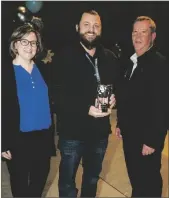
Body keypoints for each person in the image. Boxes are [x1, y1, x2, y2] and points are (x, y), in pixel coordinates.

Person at [52, 10, 119, 197]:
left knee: (91, 179)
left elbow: (115, 86)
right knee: (67, 183)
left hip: (99, 134)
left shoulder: (109, 57)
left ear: (101, 30)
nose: (92, 29)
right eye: (87, 25)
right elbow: (56, 95)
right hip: (72, 133)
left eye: (96, 25)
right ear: (77, 28)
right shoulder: (64, 56)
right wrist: (85, 108)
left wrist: (114, 98)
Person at [115, 16, 169, 197]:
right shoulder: (131, 62)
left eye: (143, 32)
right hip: (131, 136)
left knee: (149, 182)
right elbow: (128, 98)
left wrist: (153, 140)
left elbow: (162, 106)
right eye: (135, 32)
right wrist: (120, 124)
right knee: (137, 181)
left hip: (147, 139)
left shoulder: (159, 64)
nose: (137, 36)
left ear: (152, 36)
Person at [1, 19, 56, 197]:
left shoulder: (43, 68)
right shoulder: (5, 72)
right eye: (24, 41)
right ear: (15, 44)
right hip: (18, 140)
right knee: (20, 187)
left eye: (33, 42)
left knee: (38, 185)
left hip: (43, 138)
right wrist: (2, 141)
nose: (29, 46)